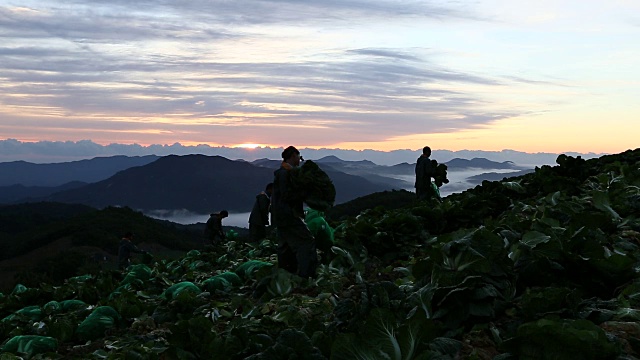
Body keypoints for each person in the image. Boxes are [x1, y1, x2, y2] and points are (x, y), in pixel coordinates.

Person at [271, 146, 318, 278]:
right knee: (306, 241)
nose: (299, 159)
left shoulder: (282, 172)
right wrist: (303, 192)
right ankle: (306, 274)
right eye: (298, 156)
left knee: (285, 245)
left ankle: (286, 273)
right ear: (292, 156)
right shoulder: (285, 174)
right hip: (288, 214)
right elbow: (287, 195)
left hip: (280, 215)